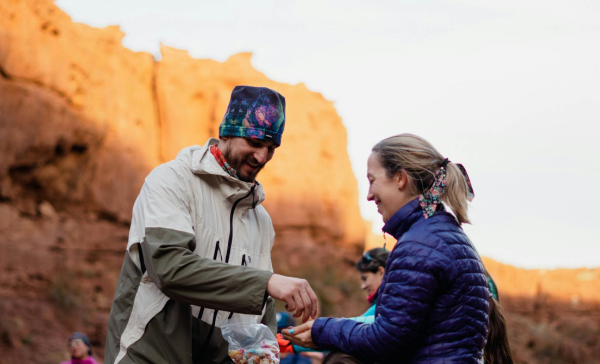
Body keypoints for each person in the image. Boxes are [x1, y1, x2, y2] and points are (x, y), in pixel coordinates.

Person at [105, 86, 318, 364]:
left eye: (271, 148)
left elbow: (257, 314)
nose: (262, 157)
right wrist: (267, 282)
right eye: (254, 142)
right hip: (147, 355)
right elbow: (170, 268)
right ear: (226, 132)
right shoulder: (171, 180)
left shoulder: (261, 220)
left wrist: (262, 351)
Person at [283, 134, 490, 363]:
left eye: (372, 180)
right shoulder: (447, 235)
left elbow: (387, 340)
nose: (370, 195)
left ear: (400, 179)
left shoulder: (418, 246)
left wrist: (322, 331)